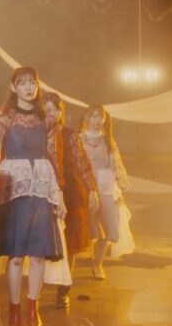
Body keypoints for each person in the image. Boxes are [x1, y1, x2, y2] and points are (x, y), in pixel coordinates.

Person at [0, 67, 64, 326]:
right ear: (14, 87)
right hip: (14, 191)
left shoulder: (48, 120)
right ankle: (14, 309)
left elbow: (54, 156)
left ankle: (33, 308)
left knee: (39, 253)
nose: (28, 88)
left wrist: (59, 193)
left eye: (32, 83)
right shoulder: (4, 120)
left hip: (41, 189)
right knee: (17, 255)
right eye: (22, 83)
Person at [40, 93, 97, 307]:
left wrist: (92, 190)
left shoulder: (70, 135)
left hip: (71, 193)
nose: (52, 114)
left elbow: (82, 163)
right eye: (47, 110)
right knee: (43, 243)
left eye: (56, 110)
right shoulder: (35, 135)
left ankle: (63, 291)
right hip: (43, 192)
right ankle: (36, 291)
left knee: (70, 244)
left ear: (61, 112)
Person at [79, 105, 134, 280]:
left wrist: (117, 188)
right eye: (94, 116)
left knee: (109, 227)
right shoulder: (79, 139)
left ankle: (97, 263)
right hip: (86, 186)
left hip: (105, 186)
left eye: (100, 117)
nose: (98, 120)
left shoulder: (108, 141)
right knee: (88, 228)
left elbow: (115, 165)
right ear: (87, 118)